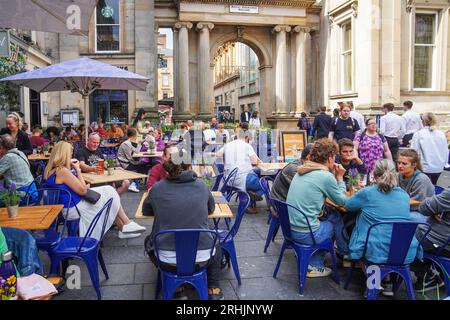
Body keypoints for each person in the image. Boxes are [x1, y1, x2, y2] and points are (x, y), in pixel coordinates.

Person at [143, 151, 224, 300]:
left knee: (148, 240)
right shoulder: (201, 186)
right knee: (215, 241)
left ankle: (177, 286)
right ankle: (214, 287)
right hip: (202, 258)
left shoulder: (157, 188)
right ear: (189, 166)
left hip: (166, 260)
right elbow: (211, 209)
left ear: (168, 167)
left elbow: (146, 210)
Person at [345, 159, 422, 297]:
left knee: (359, 237)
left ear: (374, 174)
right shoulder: (404, 196)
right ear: (395, 174)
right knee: (380, 234)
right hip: (404, 250)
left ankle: (374, 283)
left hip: (376, 249)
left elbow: (349, 206)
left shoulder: (368, 193)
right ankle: (386, 282)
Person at [44, 141, 145, 239]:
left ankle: (124, 226)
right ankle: (125, 224)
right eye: (70, 154)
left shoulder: (51, 170)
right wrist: (78, 170)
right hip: (73, 208)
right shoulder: (63, 171)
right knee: (110, 193)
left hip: (65, 206)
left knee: (110, 192)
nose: (71, 156)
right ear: (65, 155)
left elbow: (73, 188)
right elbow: (83, 190)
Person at [286, 139, 347, 277]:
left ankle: (315, 260)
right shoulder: (325, 176)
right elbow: (342, 201)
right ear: (331, 157)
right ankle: (345, 253)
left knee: (330, 216)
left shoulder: (301, 170)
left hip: (290, 229)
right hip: (305, 233)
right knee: (336, 218)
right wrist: (340, 178)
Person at [410, 189, 450, 292]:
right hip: (443, 240)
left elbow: (423, 208)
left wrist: (436, 209)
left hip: (441, 244)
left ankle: (427, 276)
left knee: (398, 237)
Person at [216, 128, 263, 214]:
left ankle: (248, 194)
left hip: (228, 178)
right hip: (243, 178)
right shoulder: (247, 146)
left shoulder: (228, 145)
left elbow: (218, 154)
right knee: (264, 185)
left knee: (256, 173)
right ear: (247, 137)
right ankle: (247, 202)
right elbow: (254, 162)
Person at [410, 112, 448, 185]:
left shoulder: (419, 134)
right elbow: (445, 150)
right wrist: (444, 163)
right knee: (433, 185)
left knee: (424, 188)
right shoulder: (441, 133)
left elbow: (413, 151)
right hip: (439, 166)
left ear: (423, 121)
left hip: (425, 167)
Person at [0, 134, 37, 205]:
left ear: (1, 147)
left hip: (23, 195)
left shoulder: (8, 157)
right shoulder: (20, 153)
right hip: (32, 191)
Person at [397, 149, 434, 215]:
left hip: (421, 211)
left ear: (414, 165)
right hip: (404, 206)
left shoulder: (420, 179)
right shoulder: (399, 175)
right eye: (399, 163)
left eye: (404, 164)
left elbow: (416, 203)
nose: (400, 166)